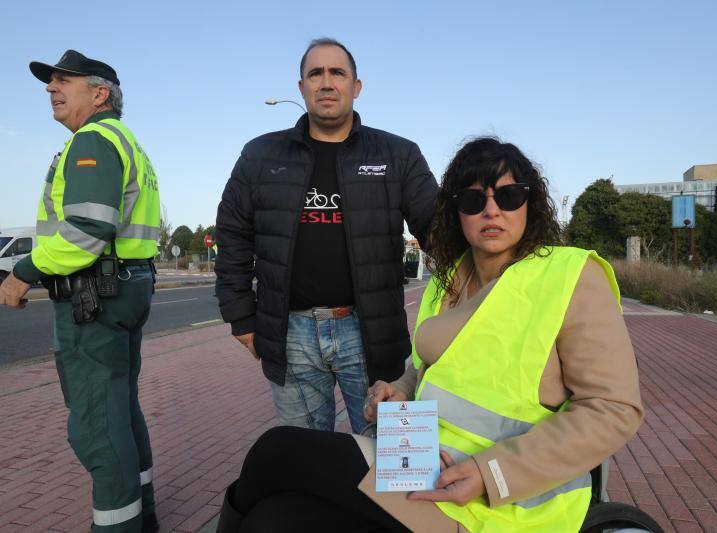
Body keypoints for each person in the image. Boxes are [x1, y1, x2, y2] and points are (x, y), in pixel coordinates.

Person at [214, 137, 644, 532]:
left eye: (509, 196)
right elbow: (435, 368)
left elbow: (613, 408)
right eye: (474, 199)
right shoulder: (450, 280)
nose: (491, 210)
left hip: (504, 499)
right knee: (272, 519)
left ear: (530, 204)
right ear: (456, 212)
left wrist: (490, 472)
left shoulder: (569, 275)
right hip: (420, 463)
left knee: (278, 452)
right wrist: (401, 387)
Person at [215, 38, 437, 435]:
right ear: (301, 88)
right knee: (305, 459)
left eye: (338, 73)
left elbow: (439, 230)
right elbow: (232, 237)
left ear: (356, 86)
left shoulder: (398, 155)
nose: (327, 82)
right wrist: (240, 319)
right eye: (315, 74)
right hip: (290, 335)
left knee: (389, 457)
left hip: (371, 333)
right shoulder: (261, 156)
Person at [0, 50, 161, 533]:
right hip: (126, 287)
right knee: (120, 409)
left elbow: (87, 229)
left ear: (99, 93)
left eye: (63, 81)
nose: (51, 88)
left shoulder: (93, 139)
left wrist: (23, 271)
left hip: (94, 296)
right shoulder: (126, 141)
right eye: (50, 82)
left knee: (96, 423)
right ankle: (143, 514)